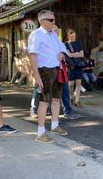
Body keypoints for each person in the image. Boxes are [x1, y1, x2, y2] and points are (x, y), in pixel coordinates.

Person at [28, 10, 68, 143]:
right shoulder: (36, 35)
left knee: (56, 99)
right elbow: (32, 57)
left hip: (57, 69)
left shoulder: (53, 34)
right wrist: (36, 76)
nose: (54, 22)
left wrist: (61, 53)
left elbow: (62, 48)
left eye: (54, 19)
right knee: (44, 101)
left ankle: (55, 125)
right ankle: (40, 133)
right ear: (42, 21)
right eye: (51, 20)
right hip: (45, 71)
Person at [64, 29, 84, 106]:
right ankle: (71, 97)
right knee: (71, 84)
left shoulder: (78, 43)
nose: (73, 38)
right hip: (71, 65)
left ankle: (77, 100)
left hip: (79, 65)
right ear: (68, 36)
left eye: (74, 36)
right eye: (72, 36)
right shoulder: (66, 44)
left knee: (78, 83)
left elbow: (82, 54)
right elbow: (68, 55)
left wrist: (73, 54)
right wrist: (77, 53)